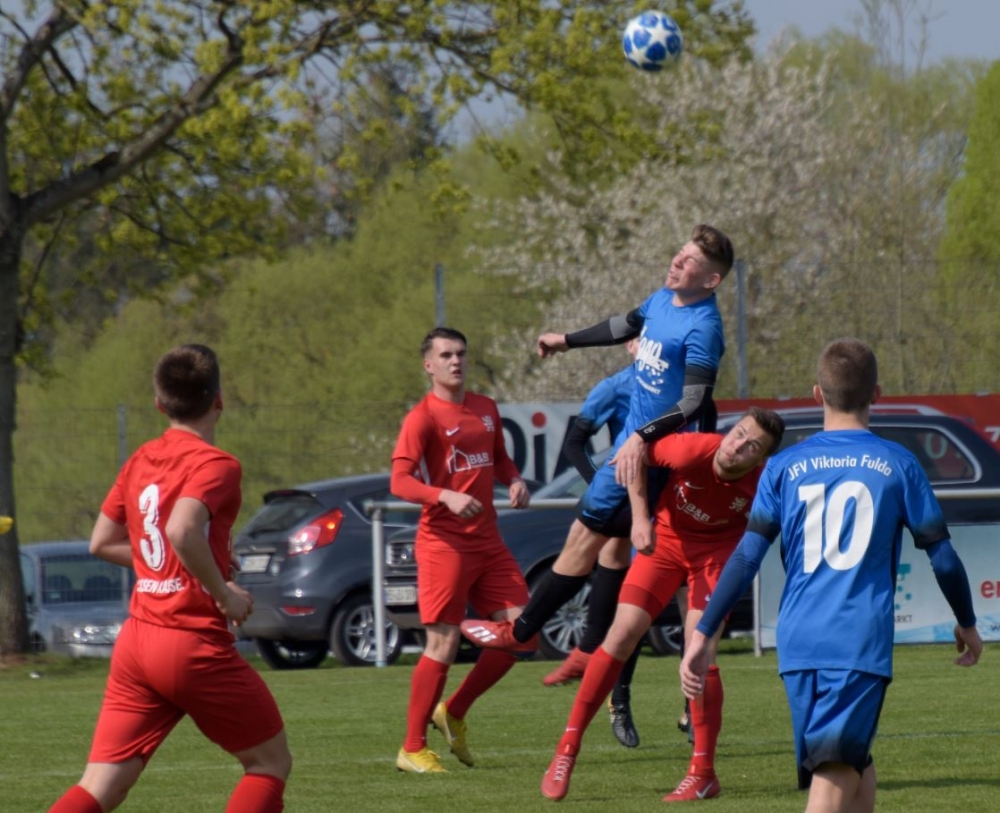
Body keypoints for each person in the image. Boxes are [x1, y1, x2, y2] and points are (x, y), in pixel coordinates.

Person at [681, 338, 983, 813]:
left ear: (817, 394)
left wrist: (702, 633)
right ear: (876, 394)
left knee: (851, 764)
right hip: (856, 643)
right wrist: (966, 622)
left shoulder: (782, 466)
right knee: (834, 773)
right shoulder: (898, 464)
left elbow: (745, 559)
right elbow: (942, 557)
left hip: (797, 643)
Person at [461, 224, 734, 700]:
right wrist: (565, 340)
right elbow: (623, 326)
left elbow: (693, 401)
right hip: (632, 447)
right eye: (679, 253)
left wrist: (643, 438)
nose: (677, 261)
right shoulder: (662, 300)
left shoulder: (703, 327)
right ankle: (550, 640)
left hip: (661, 457)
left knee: (655, 570)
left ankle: (545, 640)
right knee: (590, 542)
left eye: (690, 261)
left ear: (711, 280)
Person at [48, 344, 291, 813]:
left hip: (138, 642)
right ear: (219, 399)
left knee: (102, 784)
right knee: (269, 762)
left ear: (159, 404)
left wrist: (187, 568)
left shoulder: (141, 458)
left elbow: (102, 542)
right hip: (189, 643)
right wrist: (223, 594)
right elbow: (181, 530)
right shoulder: (217, 465)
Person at [540, 407, 786, 802]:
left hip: (716, 557)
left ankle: (703, 774)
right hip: (666, 547)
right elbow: (637, 454)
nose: (738, 446)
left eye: (752, 446)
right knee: (620, 635)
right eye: (739, 433)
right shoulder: (693, 449)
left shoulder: (764, 482)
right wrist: (640, 519)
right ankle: (566, 750)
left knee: (699, 652)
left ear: (761, 459)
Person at [391, 326, 535, 774]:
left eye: (461, 354)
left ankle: (452, 711)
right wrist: (444, 496)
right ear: (428, 365)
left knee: (525, 633)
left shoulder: (485, 408)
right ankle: (412, 748)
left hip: (488, 541)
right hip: (444, 544)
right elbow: (400, 481)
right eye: (446, 355)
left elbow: (500, 458)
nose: (456, 361)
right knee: (443, 642)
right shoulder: (422, 418)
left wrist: (514, 479)